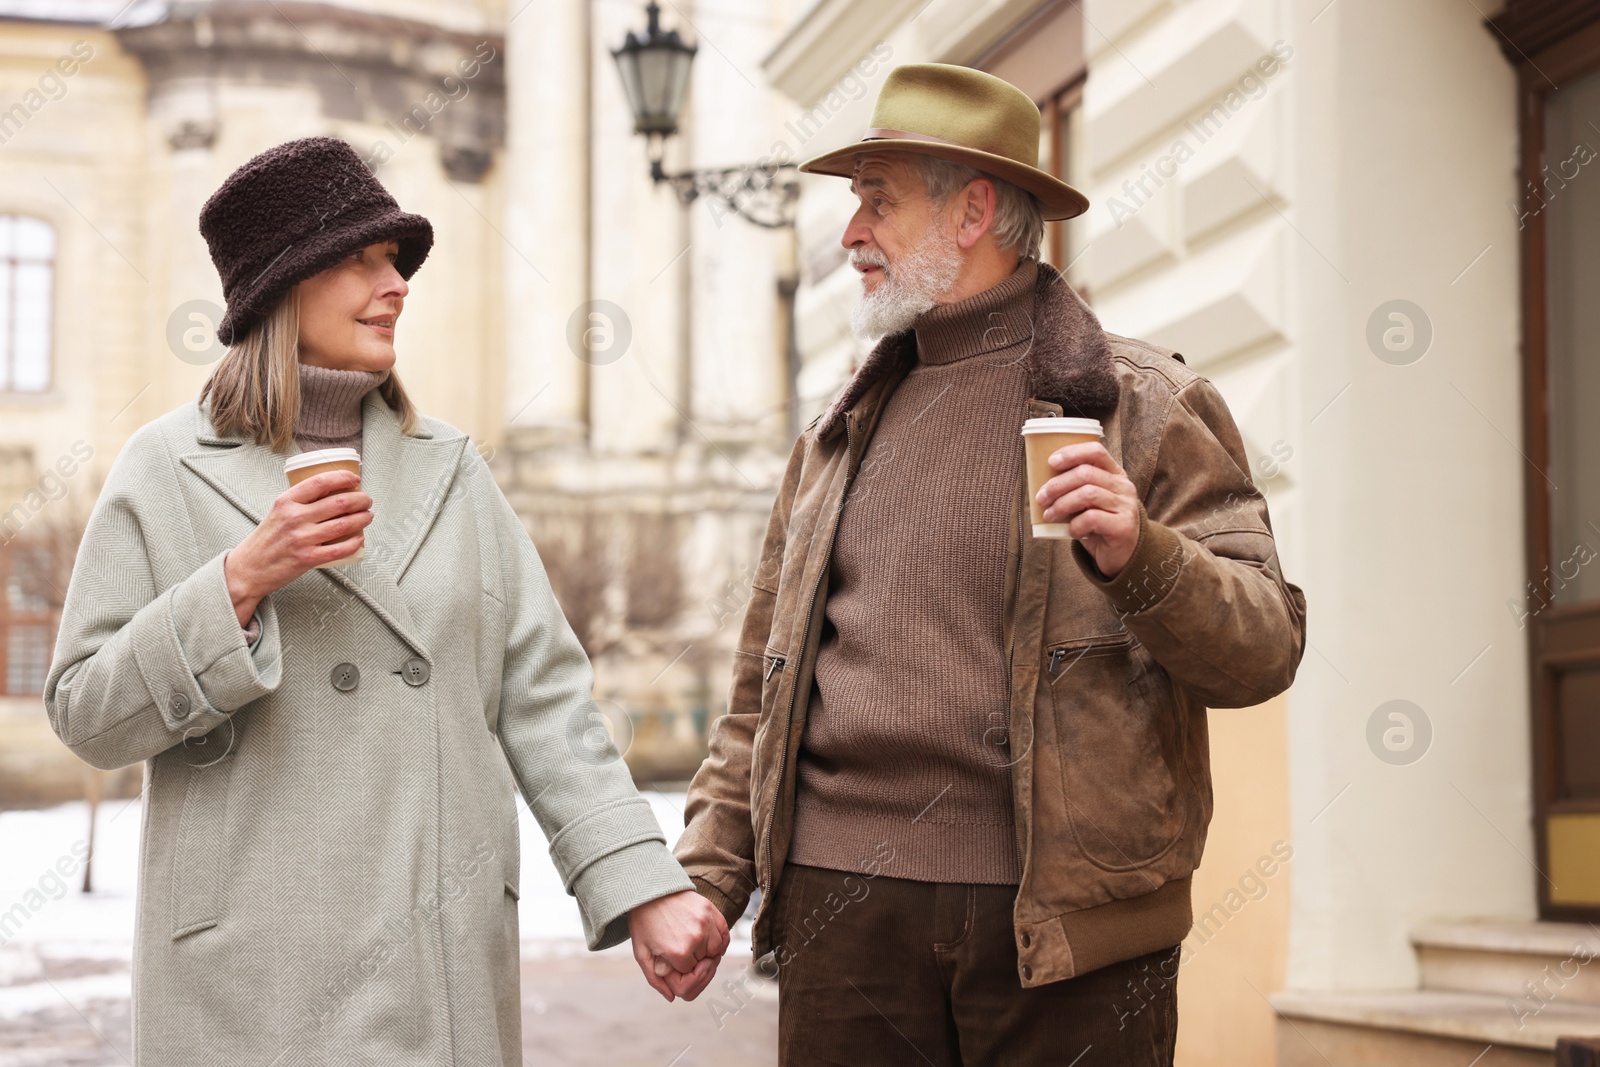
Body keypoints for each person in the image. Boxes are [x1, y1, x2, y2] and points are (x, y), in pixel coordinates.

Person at [43, 136, 726, 1067]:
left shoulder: (451, 469)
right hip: (249, 972)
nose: (397, 281)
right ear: (283, 286)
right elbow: (86, 711)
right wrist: (238, 583)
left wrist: (636, 879)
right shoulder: (163, 469)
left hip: (431, 957)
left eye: (395, 259)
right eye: (361, 258)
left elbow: (546, 698)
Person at [674, 64, 1308, 1065]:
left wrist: (1141, 552)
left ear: (972, 210)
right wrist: (710, 872)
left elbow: (1262, 647)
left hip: (1069, 931)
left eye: (877, 200)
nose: (850, 235)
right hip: (844, 918)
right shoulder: (836, 433)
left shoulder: (1142, 402)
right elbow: (764, 684)